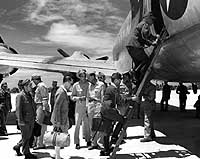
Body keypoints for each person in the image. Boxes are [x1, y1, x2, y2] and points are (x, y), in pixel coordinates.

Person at [126, 12, 159, 82]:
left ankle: (136, 77)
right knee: (146, 60)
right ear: (148, 18)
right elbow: (144, 37)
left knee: (138, 63)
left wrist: (155, 37)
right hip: (135, 46)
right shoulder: (145, 24)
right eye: (152, 20)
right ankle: (134, 72)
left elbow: (147, 35)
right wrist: (152, 43)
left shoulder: (141, 24)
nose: (153, 22)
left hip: (130, 46)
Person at [100, 72, 125, 156]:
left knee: (106, 131)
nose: (120, 81)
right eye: (119, 80)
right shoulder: (113, 88)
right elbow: (119, 100)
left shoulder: (109, 87)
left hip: (104, 110)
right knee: (122, 120)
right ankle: (114, 137)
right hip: (109, 110)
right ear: (116, 80)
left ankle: (106, 149)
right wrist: (131, 98)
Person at [51, 75, 73, 159]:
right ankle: (57, 156)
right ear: (67, 82)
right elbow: (57, 107)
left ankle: (56, 154)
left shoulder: (62, 91)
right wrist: (58, 121)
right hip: (59, 118)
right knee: (58, 136)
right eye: (70, 83)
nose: (70, 85)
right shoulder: (61, 92)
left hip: (61, 117)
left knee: (58, 135)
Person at [15, 79, 37, 159]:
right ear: (25, 86)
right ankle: (26, 153)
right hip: (24, 121)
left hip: (31, 120)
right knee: (26, 137)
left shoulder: (29, 95)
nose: (31, 87)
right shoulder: (20, 96)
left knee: (27, 137)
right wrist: (20, 121)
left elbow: (32, 106)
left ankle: (17, 147)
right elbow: (18, 109)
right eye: (29, 86)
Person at [71, 69, 91, 149]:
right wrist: (78, 98)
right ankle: (77, 142)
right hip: (78, 107)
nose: (83, 77)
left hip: (87, 106)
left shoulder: (89, 84)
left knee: (87, 125)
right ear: (79, 76)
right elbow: (72, 97)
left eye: (84, 75)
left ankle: (88, 140)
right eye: (81, 75)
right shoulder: (76, 85)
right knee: (77, 125)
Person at [86, 72, 105, 150]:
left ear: (93, 77)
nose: (88, 79)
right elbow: (88, 96)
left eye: (89, 78)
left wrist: (101, 107)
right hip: (91, 106)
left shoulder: (101, 85)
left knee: (99, 125)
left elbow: (102, 97)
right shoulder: (89, 85)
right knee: (92, 126)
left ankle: (101, 143)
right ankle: (94, 143)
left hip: (98, 105)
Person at [31, 74, 50, 150]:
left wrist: (45, 109)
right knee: (41, 125)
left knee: (39, 125)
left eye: (34, 80)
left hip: (41, 106)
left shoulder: (41, 86)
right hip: (39, 106)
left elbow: (44, 98)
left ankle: (39, 143)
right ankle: (40, 143)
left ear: (36, 80)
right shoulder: (40, 85)